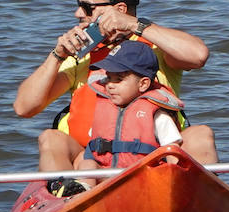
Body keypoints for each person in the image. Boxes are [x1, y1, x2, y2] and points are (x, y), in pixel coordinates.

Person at [14, 0, 218, 193]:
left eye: (87, 8)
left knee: (201, 134)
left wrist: (133, 24)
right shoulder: (80, 56)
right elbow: (24, 108)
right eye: (79, 5)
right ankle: (67, 194)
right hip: (92, 165)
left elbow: (198, 55)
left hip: (157, 160)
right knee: (51, 139)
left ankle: (200, 196)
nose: (78, 14)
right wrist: (57, 55)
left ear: (120, 9)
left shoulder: (157, 47)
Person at [46, 40, 189, 198]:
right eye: (108, 77)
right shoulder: (104, 109)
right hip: (107, 176)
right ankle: (81, 193)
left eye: (118, 79)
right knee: (87, 163)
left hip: (144, 177)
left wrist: (175, 184)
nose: (110, 85)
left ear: (143, 84)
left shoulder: (158, 115)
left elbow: (172, 152)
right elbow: (93, 145)